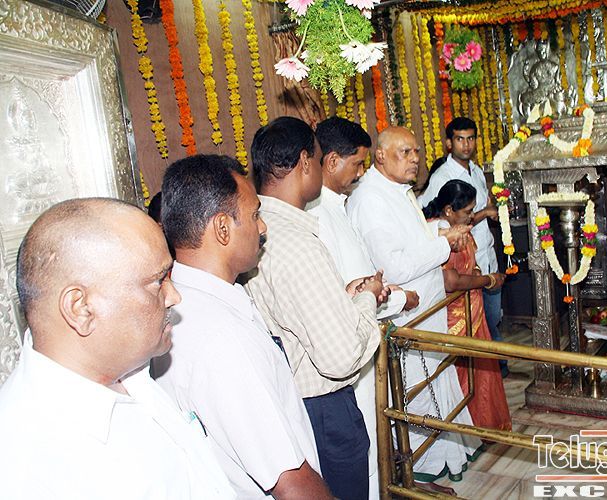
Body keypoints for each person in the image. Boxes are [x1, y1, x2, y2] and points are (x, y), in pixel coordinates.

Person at [0, 198, 235, 499]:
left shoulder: (130, 373)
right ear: (81, 308)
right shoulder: (29, 467)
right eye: (158, 282)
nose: (174, 296)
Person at [152, 155, 330, 499]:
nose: (262, 228)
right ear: (222, 228)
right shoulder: (221, 337)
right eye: (254, 215)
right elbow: (290, 482)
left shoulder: (185, 302)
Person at [247, 116, 387, 500]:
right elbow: (340, 357)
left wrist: (341, 296)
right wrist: (367, 299)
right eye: (320, 157)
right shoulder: (297, 243)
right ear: (306, 162)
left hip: (293, 400)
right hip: (324, 408)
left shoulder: (260, 227)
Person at [347, 126, 482, 492]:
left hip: (427, 315)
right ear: (380, 156)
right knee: (416, 398)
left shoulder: (397, 190)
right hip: (406, 318)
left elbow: (411, 242)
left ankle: (435, 466)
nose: (415, 159)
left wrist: (441, 235)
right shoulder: (371, 199)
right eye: (405, 152)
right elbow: (394, 267)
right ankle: (417, 475)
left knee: (433, 391)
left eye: (417, 152)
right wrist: (444, 245)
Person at [307, 117, 420, 498]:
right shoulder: (317, 216)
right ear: (332, 161)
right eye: (357, 164)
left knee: (374, 442)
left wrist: (381, 289)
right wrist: (396, 297)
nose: (361, 173)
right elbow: (338, 295)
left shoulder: (338, 206)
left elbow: (356, 278)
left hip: (365, 342)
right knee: (363, 452)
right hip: (346, 354)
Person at [419, 117, 510, 378]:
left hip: (483, 255)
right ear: (450, 143)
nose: (466, 145)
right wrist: (483, 214)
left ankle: (494, 371)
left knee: (492, 318)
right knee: (479, 326)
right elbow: (433, 218)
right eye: (460, 139)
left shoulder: (476, 170)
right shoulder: (442, 176)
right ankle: (491, 372)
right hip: (459, 264)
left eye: (470, 138)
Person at [423, 180, 512, 431]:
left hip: (472, 311)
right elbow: (450, 281)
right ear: (448, 210)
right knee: (463, 376)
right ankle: (468, 432)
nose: (472, 216)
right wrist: (487, 280)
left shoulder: (456, 227)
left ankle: (481, 430)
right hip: (456, 319)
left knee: (480, 376)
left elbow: (466, 267)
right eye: (468, 211)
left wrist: (475, 272)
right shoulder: (440, 234)